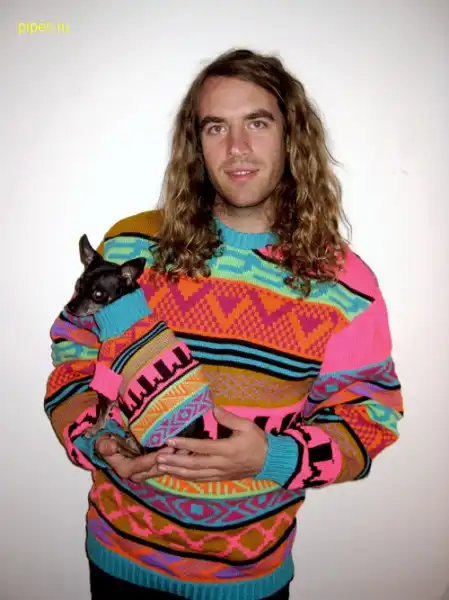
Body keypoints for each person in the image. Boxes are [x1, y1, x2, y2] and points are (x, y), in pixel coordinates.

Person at [44, 48, 404, 600]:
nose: (237, 147)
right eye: (216, 127)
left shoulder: (346, 284)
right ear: (196, 144)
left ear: (291, 136)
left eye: (257, 123)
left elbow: (371, 416)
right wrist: (95, 441)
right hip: (117, 559)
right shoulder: (132, 247)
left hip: (250, 579)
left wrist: (273, 457)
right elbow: (73, 355)